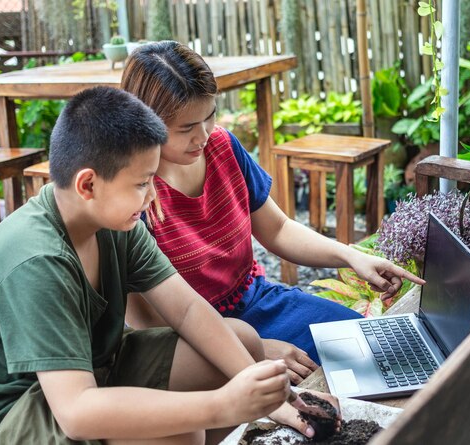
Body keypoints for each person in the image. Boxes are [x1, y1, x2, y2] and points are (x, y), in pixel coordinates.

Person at [0, 86, 338, 445]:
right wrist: (224, 405)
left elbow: (187, 309)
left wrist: (277, 401)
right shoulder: (36, 261)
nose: (151, 197)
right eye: (143, 183)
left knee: (243, 343)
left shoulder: (113, 224)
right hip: (7, 416)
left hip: (90, 367)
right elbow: (75, 412)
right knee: (180, 435)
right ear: (88, 184)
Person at [120, 41, 425, 384]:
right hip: (190, 340)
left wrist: (352, 256)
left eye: (210, 117)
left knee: (381, 351)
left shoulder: (223, 147)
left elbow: (277, 229)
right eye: (186, 129)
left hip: (257, 302)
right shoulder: (130, 196)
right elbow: (146, 320)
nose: (203, 136)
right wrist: (254, 349)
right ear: (145, 123)